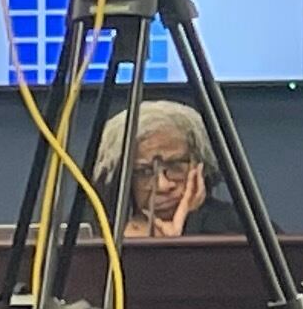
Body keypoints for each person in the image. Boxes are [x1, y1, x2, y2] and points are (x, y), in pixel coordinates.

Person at [89, 98, 242, 237]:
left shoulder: (235, 229)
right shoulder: (90, 230)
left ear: (200, 166)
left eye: (175, 167)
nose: (162, 185)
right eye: (144, 172)